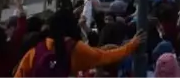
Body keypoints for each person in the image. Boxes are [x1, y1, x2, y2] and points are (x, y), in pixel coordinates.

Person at [13, 9, 145, 78]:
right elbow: (106, 56)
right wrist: (132, 44)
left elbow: (20, 74)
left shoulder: (36, 49)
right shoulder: (75, 48)